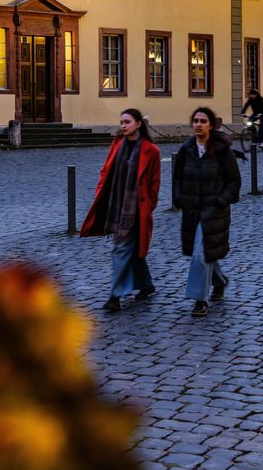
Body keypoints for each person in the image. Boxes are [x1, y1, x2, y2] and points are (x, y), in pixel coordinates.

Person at [79, 108, 161, 313]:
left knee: (120, 249)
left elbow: (154, 184)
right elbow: (106, 169)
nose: (123, 125)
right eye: (122, 122)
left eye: (127, 122)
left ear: (138, 124)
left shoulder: (151, 150)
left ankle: (115, 296)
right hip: (115, 205)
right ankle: (147, 285)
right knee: (132, 250)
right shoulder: (118, 144)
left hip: (135, 210)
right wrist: (100, 191)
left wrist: (147, 207)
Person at [171, 106, 241, 318]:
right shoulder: (187, 150)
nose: (199, 125)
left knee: (201, 254)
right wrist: (179, 198)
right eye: (196, 121)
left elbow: (234, 182)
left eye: (203, 121)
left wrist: (221, 200)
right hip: (192, 210)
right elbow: (177, 178)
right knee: (205, 252)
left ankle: (199, 300)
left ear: (211, 125)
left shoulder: (222, 151)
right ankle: (219, 281)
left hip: (214, 212)